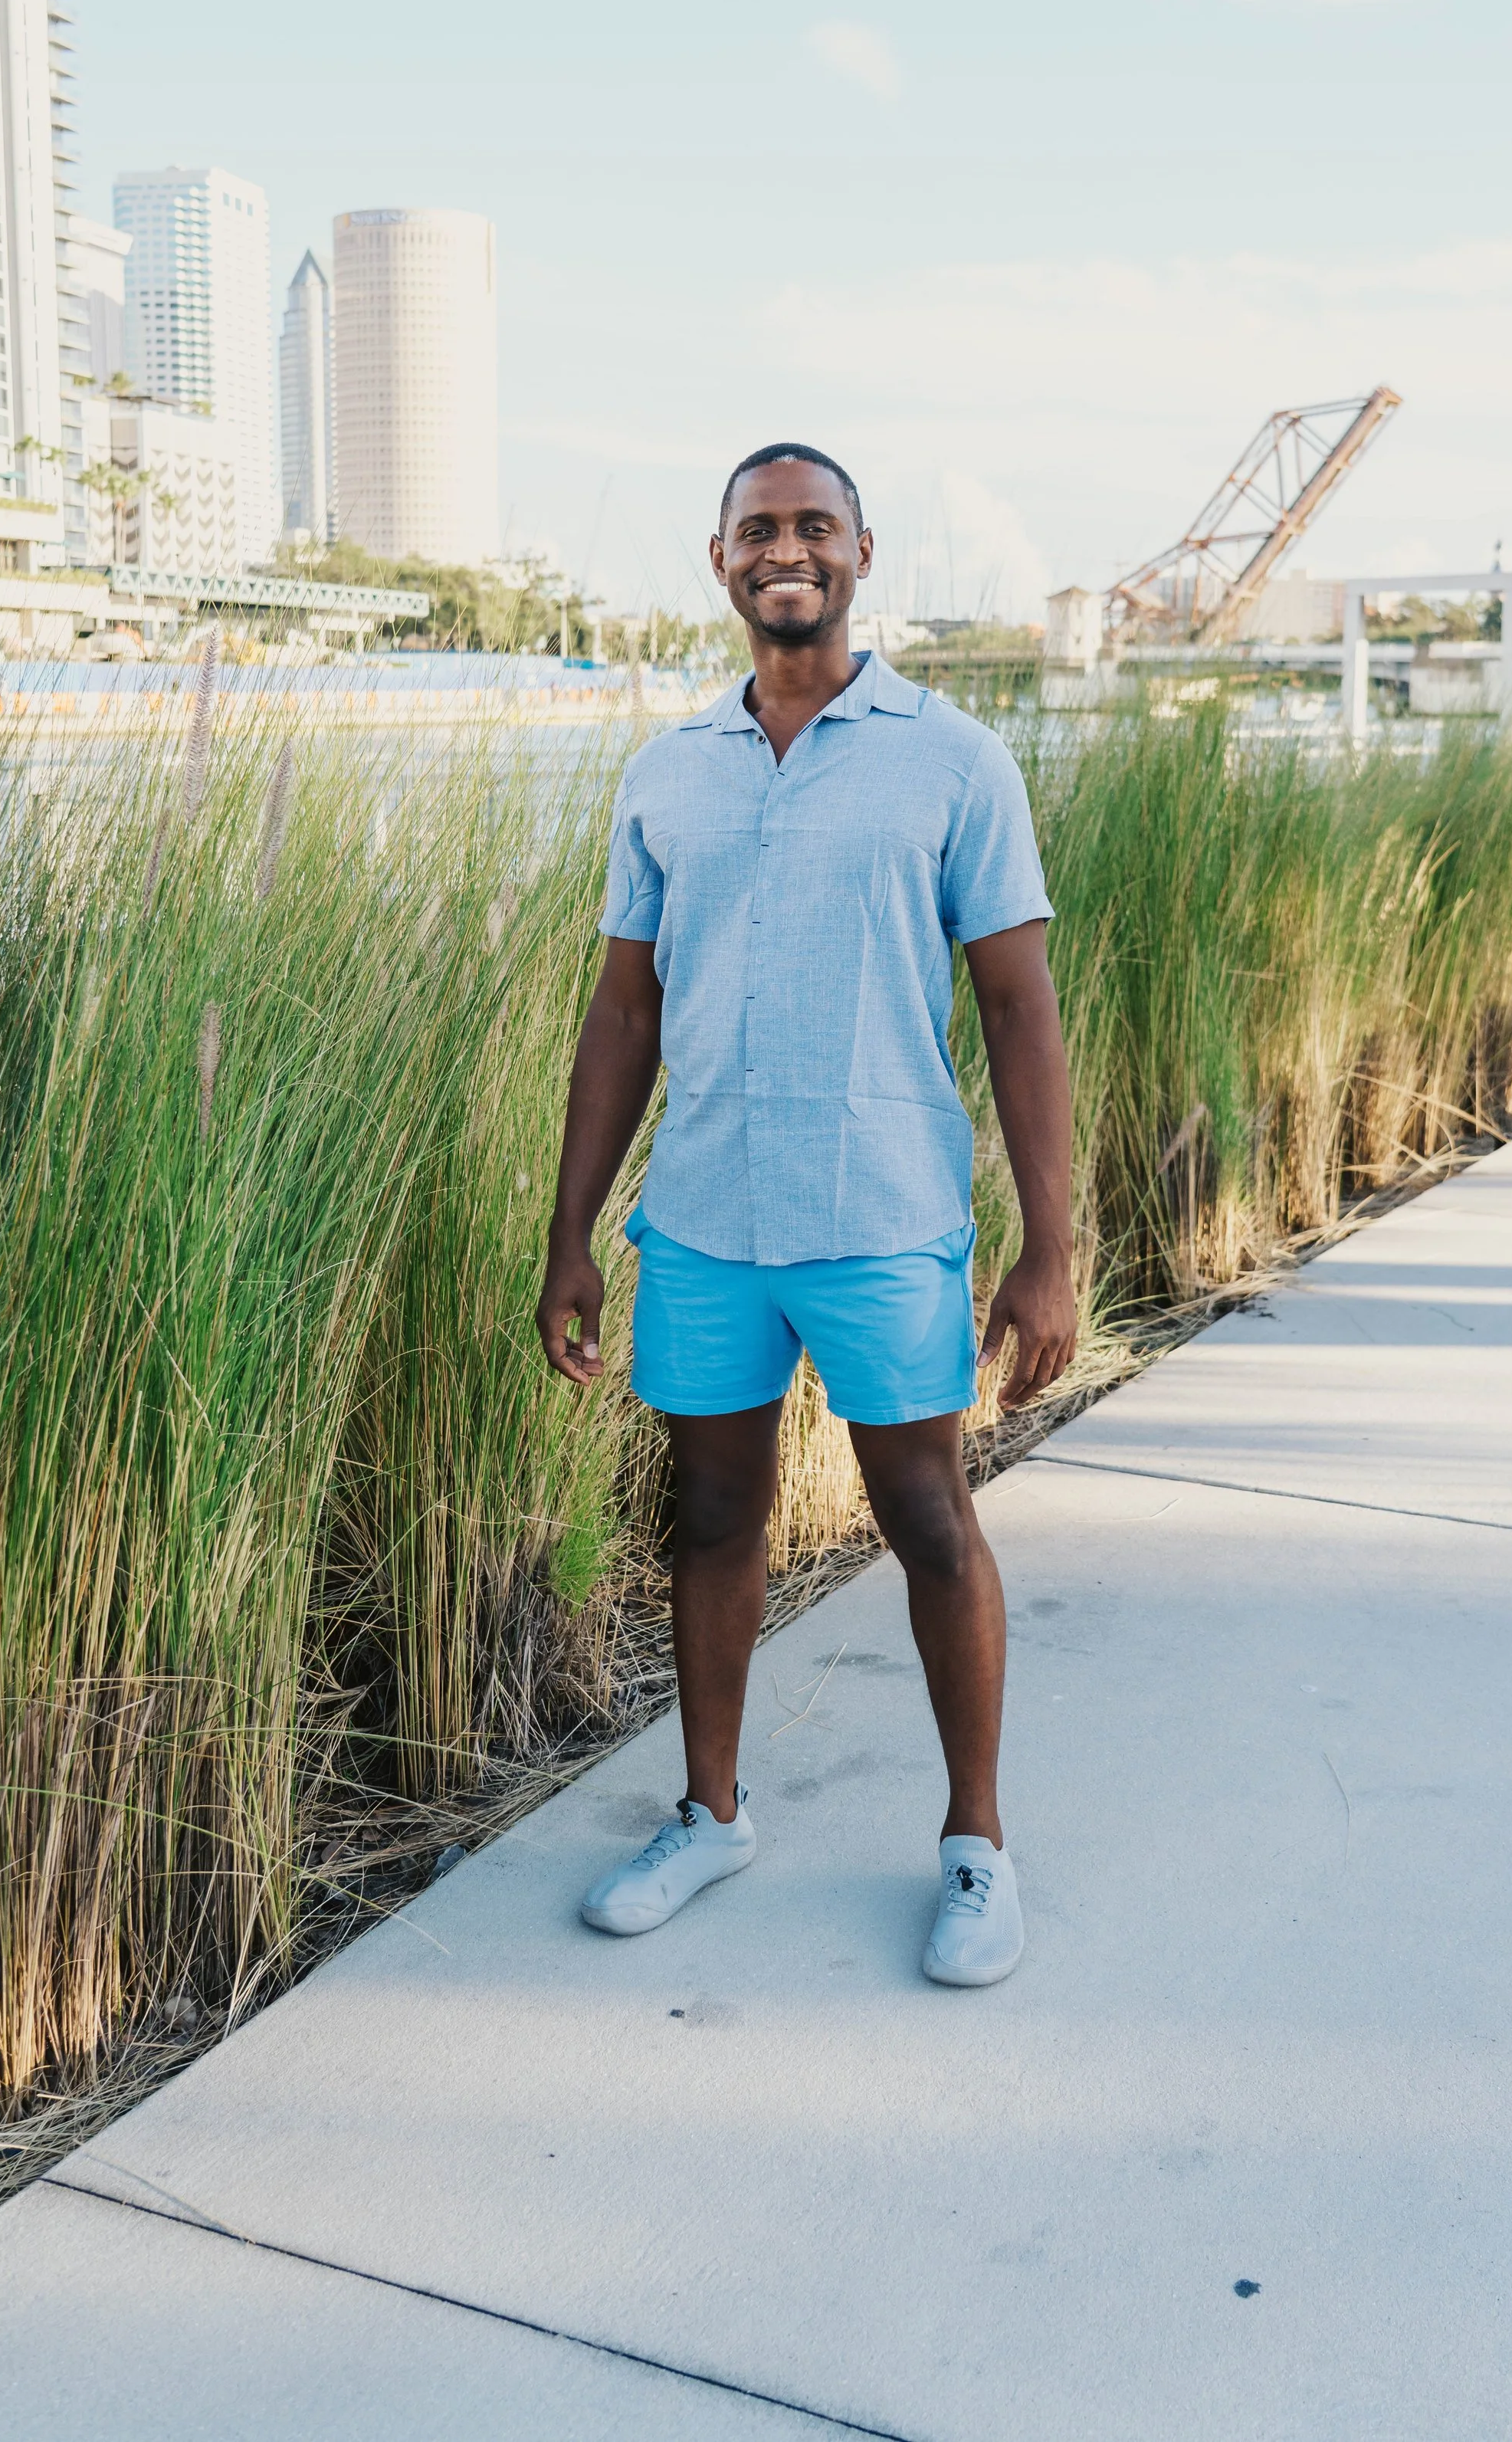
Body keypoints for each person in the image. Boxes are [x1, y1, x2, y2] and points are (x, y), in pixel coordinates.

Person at [535, 442, 1076, 1987]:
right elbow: (622, 1018)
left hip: (884, 1213)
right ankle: (708, 1815)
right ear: (719, 561)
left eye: (813, 527)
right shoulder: (668, 770)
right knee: (708, 1517)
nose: (788, 550)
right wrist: (572, 1231)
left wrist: (1051, 1247)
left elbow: (1020, 1011)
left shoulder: (951, 760)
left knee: (924, 1519)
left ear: (858, 554)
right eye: (758, 529)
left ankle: (974, 1849)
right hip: (703, 1220)